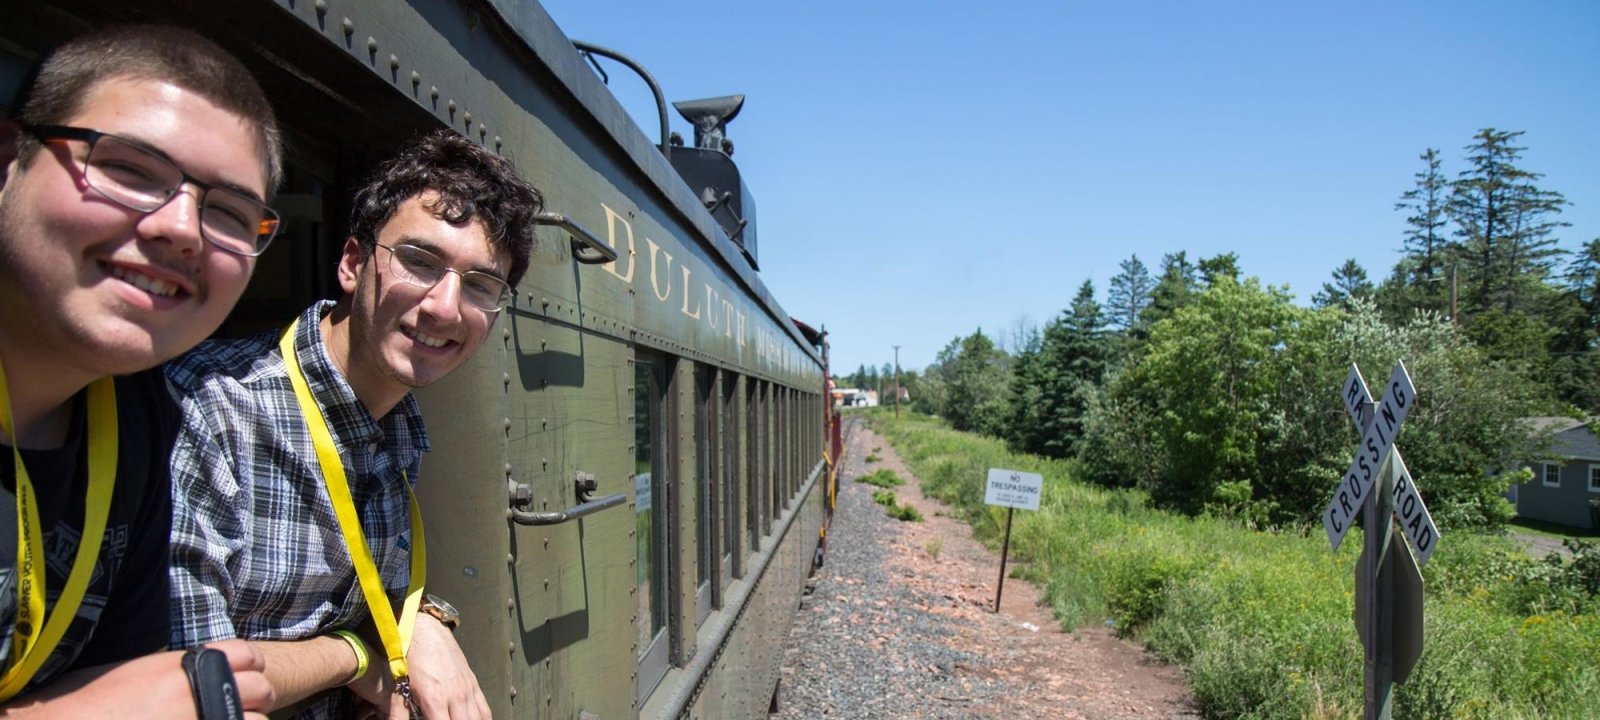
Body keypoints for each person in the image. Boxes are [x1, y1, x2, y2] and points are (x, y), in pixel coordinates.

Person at [168, 128, 543, 719]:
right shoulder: (212, 409)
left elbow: (360, 592)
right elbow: (196, 691)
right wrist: (359, 660)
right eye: (419, 261)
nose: (445, 306)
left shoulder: (398, 423)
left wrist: (425, 621)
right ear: (352, 263)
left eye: (479, 285)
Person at [0, 24, 281, 717]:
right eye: (128, 170)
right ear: (7, 159)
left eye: (231, 213)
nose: (181, 228)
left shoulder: (136, 418)